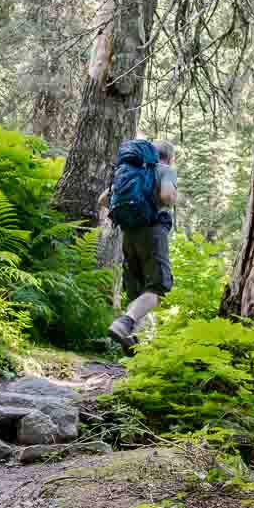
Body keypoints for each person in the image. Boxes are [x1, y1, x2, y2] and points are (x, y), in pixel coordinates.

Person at [100, 140, 177, 353]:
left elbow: (103, 200)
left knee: (137, 292)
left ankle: (133, 342)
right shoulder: (165, 170)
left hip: (129, 234)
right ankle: (125, 323)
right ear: (169, 157)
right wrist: (171, 199)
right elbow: (167, 196)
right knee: (157, 287)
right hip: (152, 232)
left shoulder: (132, 170)